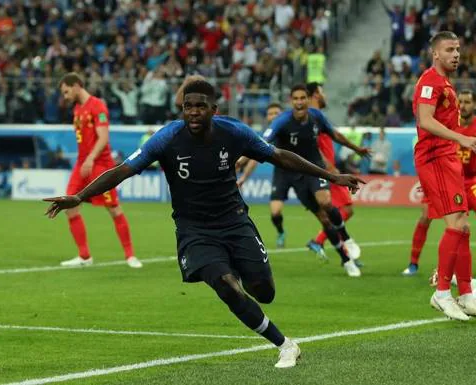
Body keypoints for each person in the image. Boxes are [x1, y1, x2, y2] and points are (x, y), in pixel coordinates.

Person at [43, 80, 364, 368]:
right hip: (194, 230)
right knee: (226, 286)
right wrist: (80, 197)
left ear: (213, 109)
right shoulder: (167, 137)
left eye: (200, 106)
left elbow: (279, 156)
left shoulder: (233, 132)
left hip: (235, 222)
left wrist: (332, 176)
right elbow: (123, 170)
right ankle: (285, 345)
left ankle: (238, 268)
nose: (193, 112)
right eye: (188, 107)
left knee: (263, 291)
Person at [265, 85, 370, 275]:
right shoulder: (282, 121)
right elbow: (261, 142)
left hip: (315, 169)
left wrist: (356, 148)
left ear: (307, 99)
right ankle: (346, 260)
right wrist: (240, 160)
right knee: (323, 219)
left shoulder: (316, 117)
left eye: (302, 98)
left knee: (326, 201)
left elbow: (335, 134)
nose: (299, 102)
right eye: (295, 99)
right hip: (295, 176)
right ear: (291, 101)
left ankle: (347, 238)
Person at [412, 31, 476, 321]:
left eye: (458, 49)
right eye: (450, 49)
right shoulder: (429, 82)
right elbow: (425, 121)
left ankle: (465, 292)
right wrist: (461, 139)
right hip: (435, 158)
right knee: (455, 224)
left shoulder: (445, 83)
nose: (456, 54)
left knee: (462, 226)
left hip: (448, 158)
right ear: (435, 53)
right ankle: (441, 293)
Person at [58, 72, 141, 268]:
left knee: (113, 208)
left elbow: (103, 138)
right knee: (69, 206)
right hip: (82, 164)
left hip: (99, 164)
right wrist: (85, 160)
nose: (65, 96)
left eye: (66, 91)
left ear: (77, 85)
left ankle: (130, 256)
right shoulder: (77, 109)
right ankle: (84, 256)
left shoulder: (97, 106)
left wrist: (90, 158)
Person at [404, 90, 476, 279]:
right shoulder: (449, 125)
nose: (463, 105)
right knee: (425, 216)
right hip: (445, 178)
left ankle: (449, 272)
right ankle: (413, 263)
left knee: (460, 226)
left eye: (468, 102)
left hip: (471, 181)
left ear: (474, 105)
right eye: (460, 101)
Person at [300, 83, 363, 260]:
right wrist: (330, 168)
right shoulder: (312, 118)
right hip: (326, 172)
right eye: (322, 91)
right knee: (345, 210)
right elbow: (314, 146)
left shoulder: (319, 117)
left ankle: (333, 248)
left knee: (335, 212)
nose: (325, 95)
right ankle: (319, 241)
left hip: (327, 171)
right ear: (314, 96)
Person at [236, 103, 286, 247]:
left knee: (322, 208)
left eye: (276, 113)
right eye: (270, 114)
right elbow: (255, 157)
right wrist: (243, 175)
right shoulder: (267, 135)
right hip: (282, 174)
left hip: (301, 173)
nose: (273, 116)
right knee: (275, 212)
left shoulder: (290, 127)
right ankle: (281, 232)